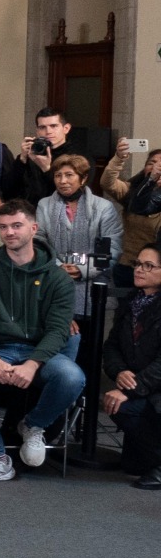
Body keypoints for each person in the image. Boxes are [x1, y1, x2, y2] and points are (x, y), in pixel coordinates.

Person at [0, 199, 82, 487]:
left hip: (40, 353)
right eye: (4, 227)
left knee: (72, 376)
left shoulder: (58, 279)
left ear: (33, 228)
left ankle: (33, 424)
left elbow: (58, 330)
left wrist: (33, 363)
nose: (10, 232)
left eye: (17, 225)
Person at [35, 154, 124, 329]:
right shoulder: (44, 205)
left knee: (93, 348)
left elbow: (112, 247)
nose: (62, 180)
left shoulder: (103, 207)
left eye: (69, 175)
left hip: (95, 287)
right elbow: (38, 242)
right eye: (58, 175)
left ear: (83, 178)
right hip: (55, 282)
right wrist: (58, 266)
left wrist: (82, 269)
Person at [103, 245, 161, 489]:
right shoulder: (131, 302)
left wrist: (130, 388)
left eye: (149, 266)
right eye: (138, 263)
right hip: (141, 382)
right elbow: (111, 346)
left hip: (156, 387)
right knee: (132, 465)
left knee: (121, 405)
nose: (139, 270)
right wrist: (120, 372)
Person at [102, 139, 161, 287]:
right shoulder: (131, 192)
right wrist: (119, 157)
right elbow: (107, 182)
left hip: (156, 271)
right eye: (151, 163)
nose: (156, 169)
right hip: (129, 266)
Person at [6, 107, 75, 204]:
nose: (48, 131)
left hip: (60, 211)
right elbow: (8, 190)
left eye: (53, 126)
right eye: (42, 127)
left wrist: (46, 169)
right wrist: (22, 160)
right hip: (29, 211)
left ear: (66, 128)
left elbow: (72, 193)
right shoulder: (32, 153)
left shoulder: (77, 157)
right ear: (37, 131)